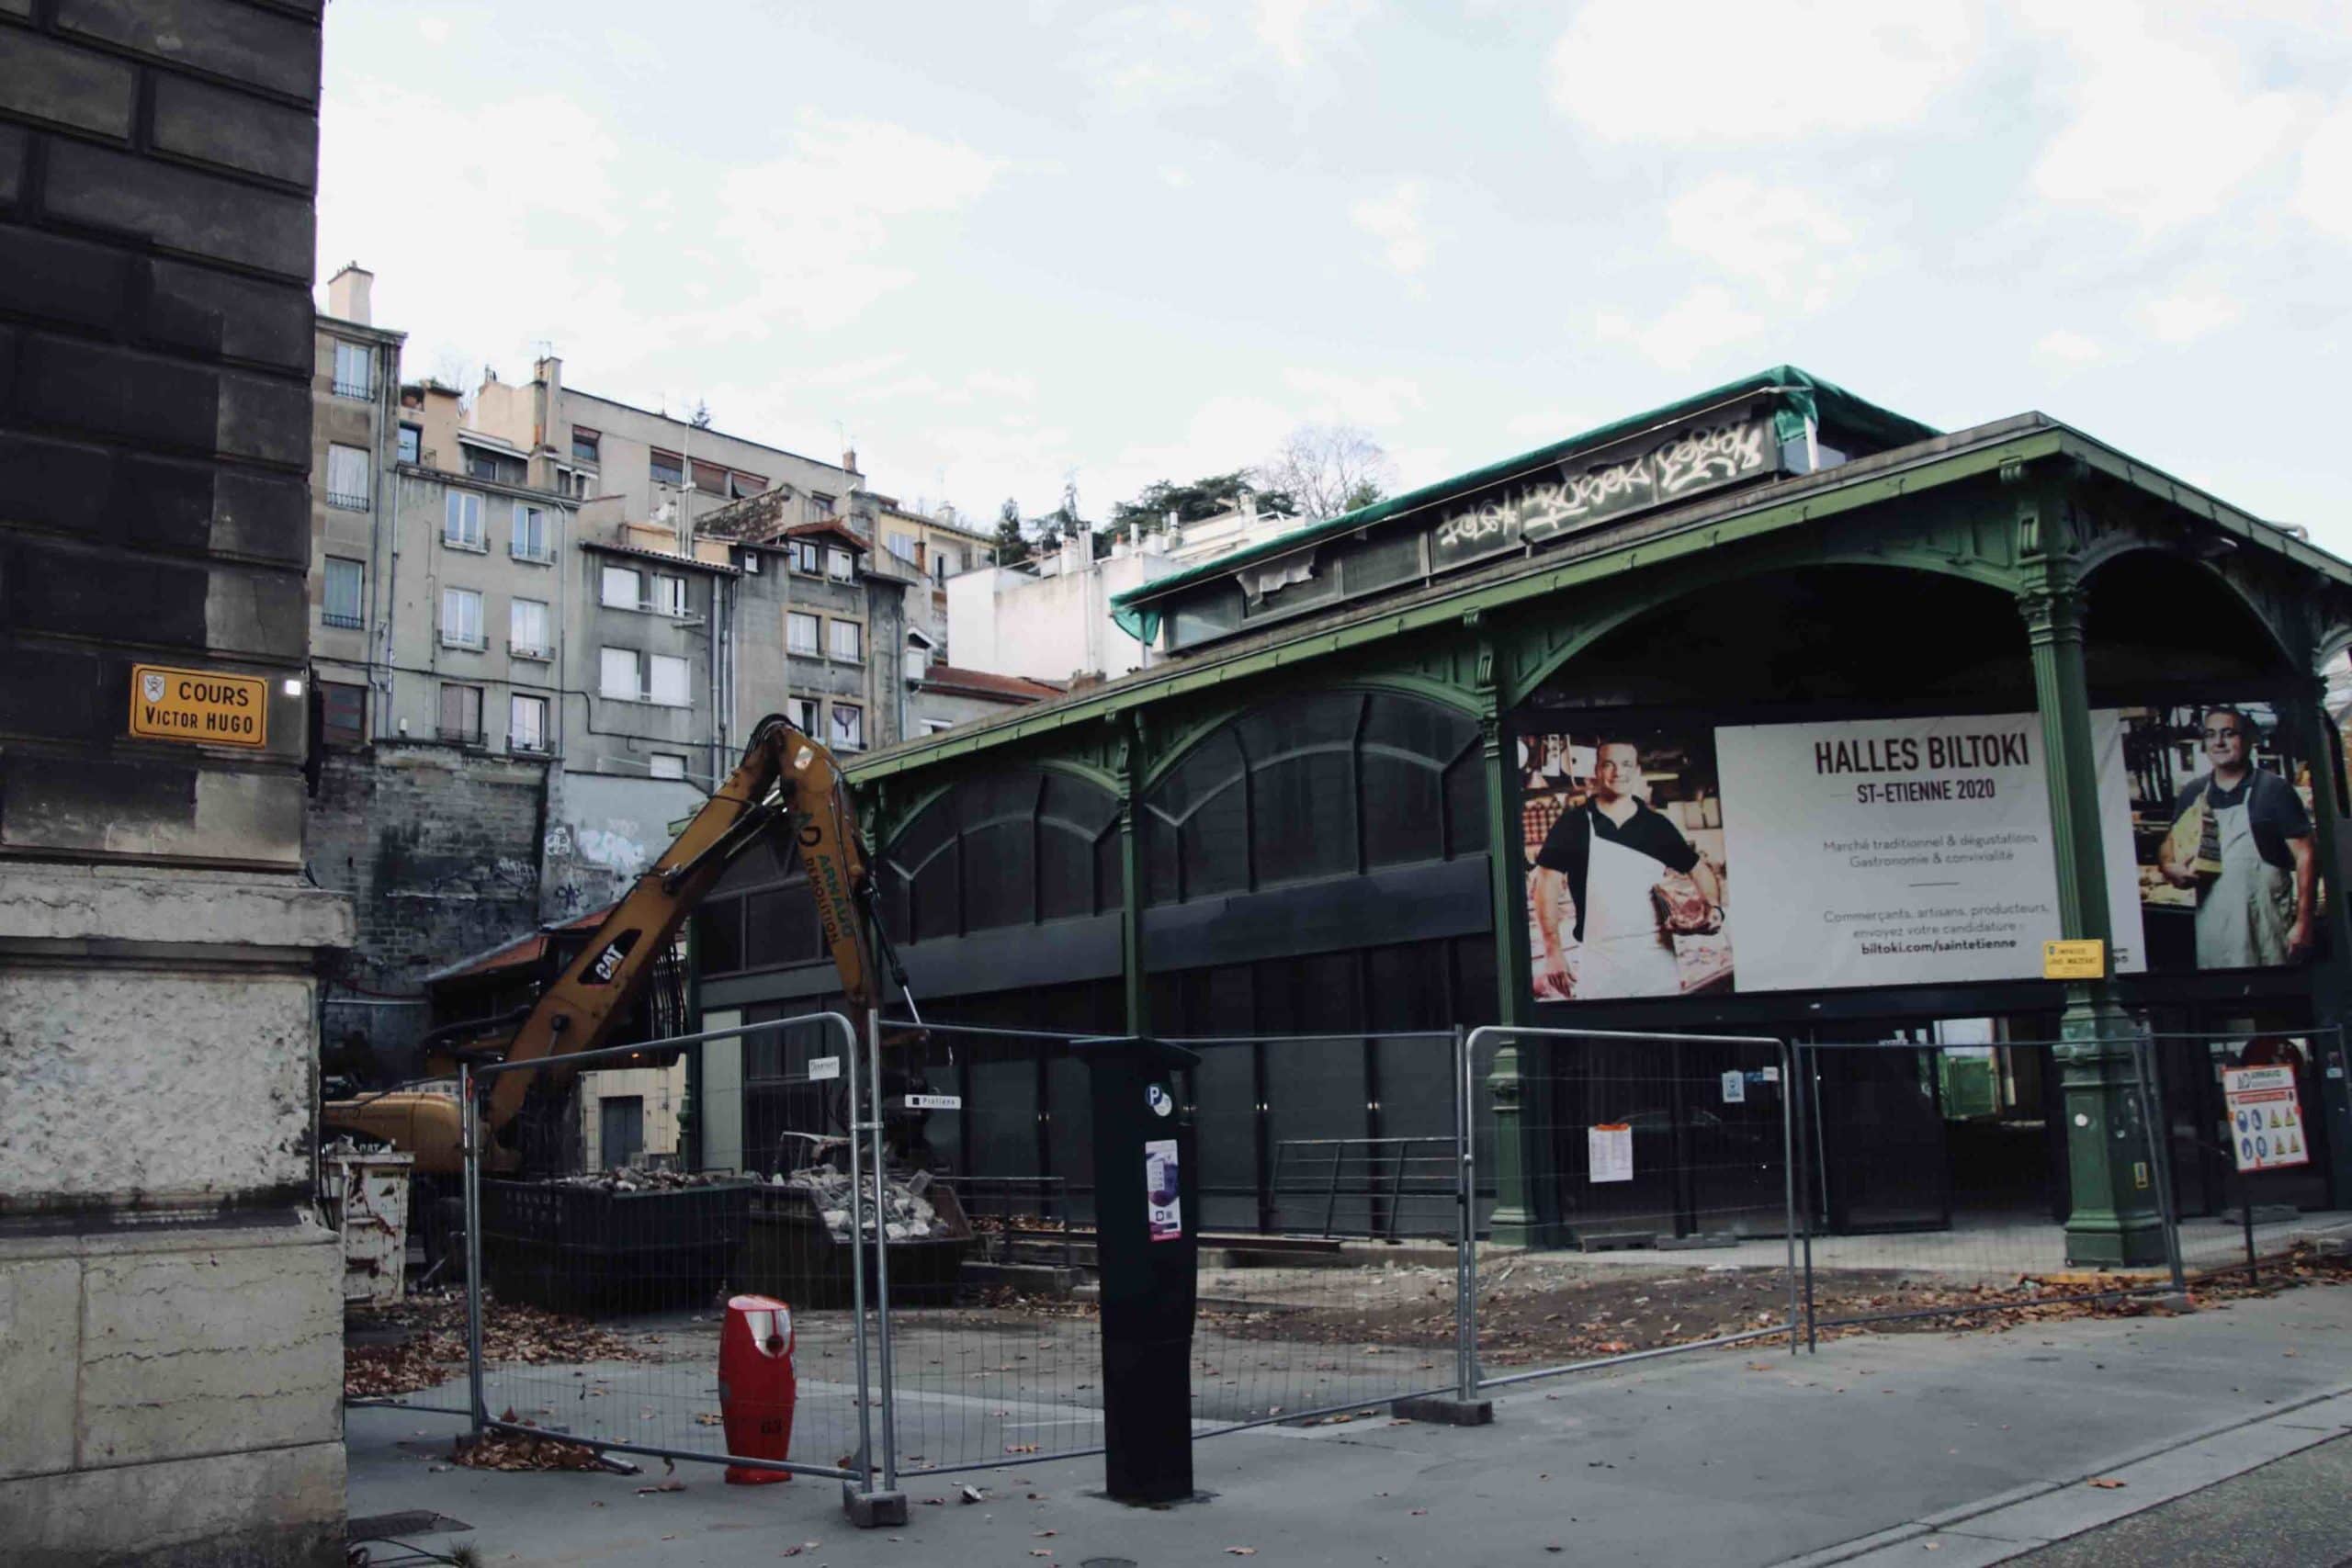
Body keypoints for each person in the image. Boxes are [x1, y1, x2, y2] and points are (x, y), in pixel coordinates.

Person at [1530, 739, 1722, 999]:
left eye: (1626, 764)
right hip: (1599, 960)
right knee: (1603, 1037)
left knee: (1663, 1036)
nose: (1618, 772)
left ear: (1637, 772)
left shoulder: (1656, 826)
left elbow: (1699, 869)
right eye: (1608, 764)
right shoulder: (1573, 824)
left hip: (1657, 958)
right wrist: (1553, 951)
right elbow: (1546, 885)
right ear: (1596, 771)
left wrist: (1713, 907)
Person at [2158, 706, 2316, 967]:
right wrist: (2168, 866)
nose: (2218, 742)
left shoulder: (2274, 790)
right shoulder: (2194, 793)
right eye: (2210, 735)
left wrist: (2304, 922)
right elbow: (2169, 844)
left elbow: (2307, 854)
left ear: (2248, 740)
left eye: (2228, 733)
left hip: (2264, 924)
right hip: (2213, 924)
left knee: (2270, 999)